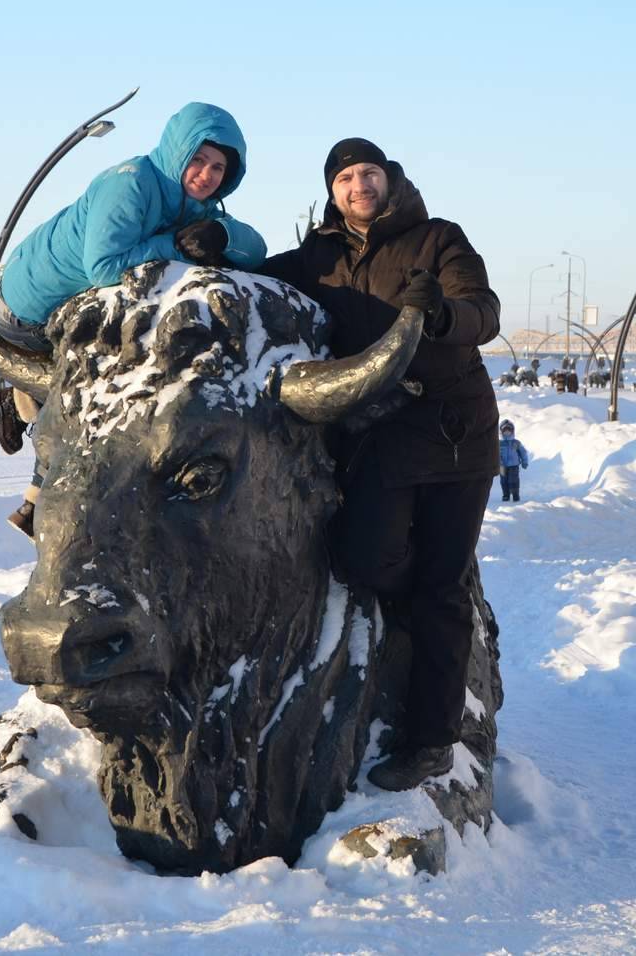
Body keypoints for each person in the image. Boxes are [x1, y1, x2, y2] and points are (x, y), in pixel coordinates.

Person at [259, 137, 501, 791]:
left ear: (390, 181)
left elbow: (485, 312)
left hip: (455, 440)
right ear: (333, 191)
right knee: (363, 560)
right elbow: (256, 274)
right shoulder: (319, 258)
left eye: (369, 174)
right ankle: (414, 612)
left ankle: (431, 742)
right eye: (345, 178)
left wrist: (444, 311)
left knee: (443, 591)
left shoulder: (438, 239)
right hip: (380, 442)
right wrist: (209, 252)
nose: (359, 186)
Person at [0, 102, 269, 537]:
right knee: (86, 402)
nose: (206, 174)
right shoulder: (132, 182)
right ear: (177, 151)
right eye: (197, 158)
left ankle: (30, 432)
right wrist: (178, 247)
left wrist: (223, 235)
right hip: (28, 307)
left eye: (218, 167)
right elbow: (105, 266)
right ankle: (34, 483)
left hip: (78, 307)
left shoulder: (197, 208)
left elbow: (255, 250)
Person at [498, 419, 529, 501]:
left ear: (512, 431)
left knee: (513, 480)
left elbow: (523, 452)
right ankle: (506, 495)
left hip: (514, 465)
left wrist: (524, 462)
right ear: (501, 431)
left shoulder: (516, 443)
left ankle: (515, 494)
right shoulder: (499, 443)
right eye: (505, 430)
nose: (507, 432)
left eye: (509, 430)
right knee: (504, 481)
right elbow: (494, 454)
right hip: (502, 466)